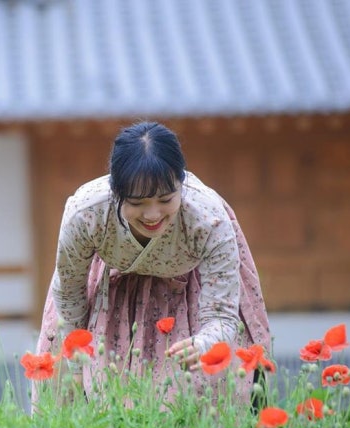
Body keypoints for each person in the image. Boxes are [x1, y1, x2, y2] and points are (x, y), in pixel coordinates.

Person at [35, 121, 271, 406]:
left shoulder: (208, 218)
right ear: (115, 192)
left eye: (165, 199)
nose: (152, 214)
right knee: (81, 404)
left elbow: (221, 315)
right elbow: (70, 293)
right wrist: (74, 363)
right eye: (137, 203)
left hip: (191, 295)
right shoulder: (86, 213)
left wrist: (203, 345)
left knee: (201, 404)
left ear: (181, 184)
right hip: (108, 293)